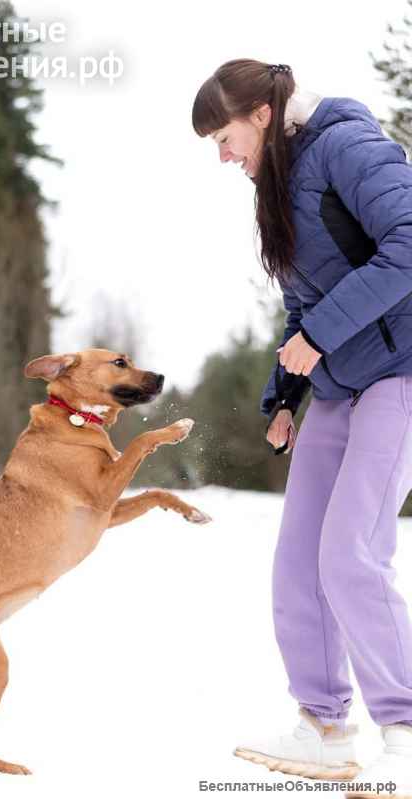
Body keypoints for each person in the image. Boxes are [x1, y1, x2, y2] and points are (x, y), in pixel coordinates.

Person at [192, 58, 412, 795]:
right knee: (299, 562)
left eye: (223, 138)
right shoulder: (280, 179)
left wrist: (317, 338)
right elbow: (305, 303)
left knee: (351, 552)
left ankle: (406, 730)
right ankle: (323, 726)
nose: (222, 157)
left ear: (259, 113)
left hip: (401, 372)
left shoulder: (347, 145)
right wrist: (283, 395)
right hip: (337, 383)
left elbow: (409, 243)